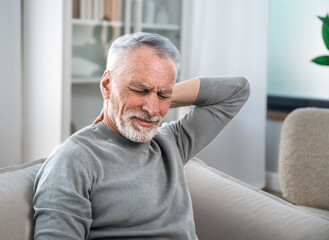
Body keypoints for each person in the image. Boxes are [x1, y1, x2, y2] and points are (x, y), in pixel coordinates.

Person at [33, 32, 250, 239]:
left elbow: (238, 91)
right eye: (140, 90)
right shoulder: (75, 158)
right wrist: (140, 98)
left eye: (164, 94)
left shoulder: (172, 142)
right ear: (107, 85)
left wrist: (158, 97)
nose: (153, 110)